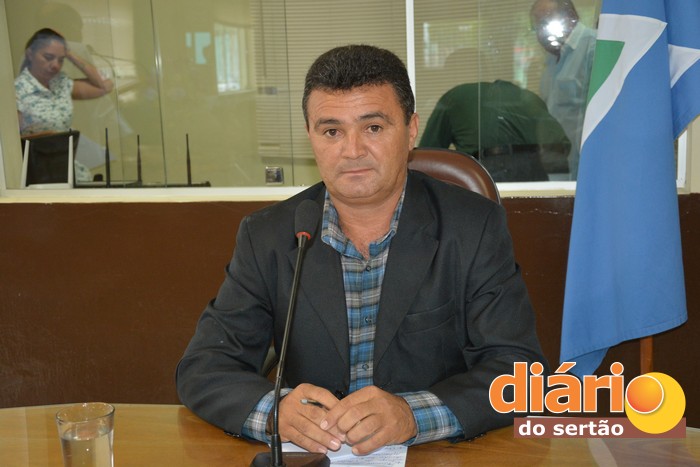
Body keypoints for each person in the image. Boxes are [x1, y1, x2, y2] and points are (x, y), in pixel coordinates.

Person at [176, 44, 548, 456]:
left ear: (411, 130)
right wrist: (275, 411)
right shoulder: (269, 235)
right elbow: (204, 367)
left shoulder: (473, 227)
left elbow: (520, 372)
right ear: (311, 137)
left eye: (372, 127)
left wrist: (412, 415)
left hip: (434, 456)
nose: (352, 150)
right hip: (316, 457)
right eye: (331, 131)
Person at [419, 80, 571, 181]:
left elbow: (427, 157)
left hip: (483, 170)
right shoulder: (529, 99)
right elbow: (561, 145)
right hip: (532, 171)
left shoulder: (455, 97)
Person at [530, 0, 596, 180]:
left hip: (586, 168)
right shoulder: (550, 61)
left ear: (569, 17)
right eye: (537, 26)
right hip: (556, 167)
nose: (541, 33)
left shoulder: (593, 47)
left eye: (545, 23)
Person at [15, 27, 113, 137]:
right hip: (40, 147)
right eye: (48, 57)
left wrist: (70, 54)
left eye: (61, 60)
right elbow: (13, 139)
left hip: (67, 145)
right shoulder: (18, 90)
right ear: (30, 54)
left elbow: (105, 86)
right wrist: (46, 136)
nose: (55, 65)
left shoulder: (61, 83)